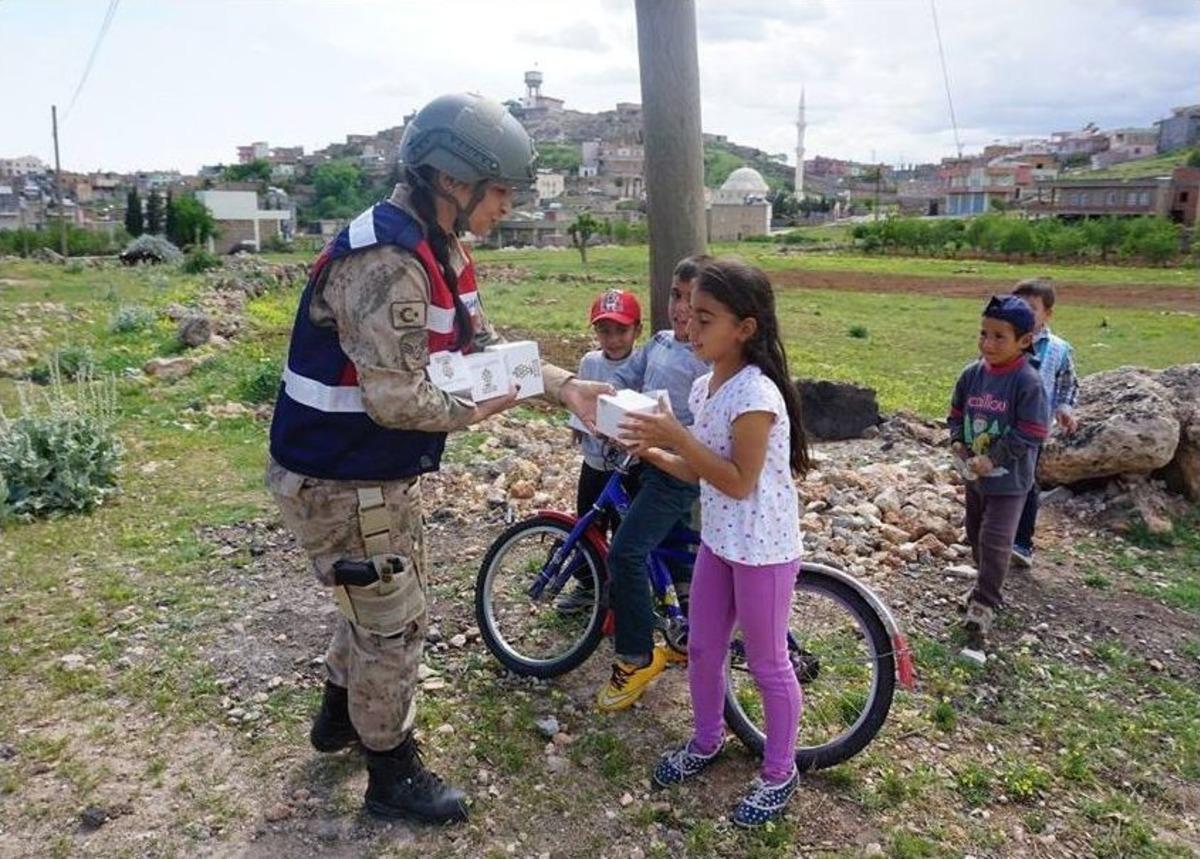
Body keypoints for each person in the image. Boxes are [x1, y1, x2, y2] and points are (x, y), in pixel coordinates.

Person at [265, 93, 609, 825]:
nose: (508, 204)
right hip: (339, 474)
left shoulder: (441, 248)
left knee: (379, 593)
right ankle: (392, 773)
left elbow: (479, 353)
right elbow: (396, 397)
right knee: (394, 619)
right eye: (501, 189)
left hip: (370, 471)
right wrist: (475, 411)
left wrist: (563, 387)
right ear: (455, 180)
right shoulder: (390, 260)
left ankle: (338, 717)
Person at [622, 258, 810, 828]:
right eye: (687, 313)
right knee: (703, 648)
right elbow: (701, 470)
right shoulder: (709, 385)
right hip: (722, 541)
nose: (689, 325)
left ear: (745, 328)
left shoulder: (756, 396)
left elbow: (736, 479)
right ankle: (706, 741)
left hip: (765, 548)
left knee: (768, 661)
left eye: (705, 317)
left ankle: (780, 771)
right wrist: (652, 451)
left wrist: (673, 433)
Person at [593, 256, 711, 712]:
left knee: (626, 550)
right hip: (648, 461)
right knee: (676, 550)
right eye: (675, 296)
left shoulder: (705, 360)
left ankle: (635, 656)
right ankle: (685, 633)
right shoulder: (659, 342)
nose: (680, 309)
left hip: (676, 472)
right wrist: (603, 400)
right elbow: (626, 376)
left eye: (692, 299)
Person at [948, 295, 1048, 656]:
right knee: (974, 534)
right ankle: (983, 584)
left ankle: (984, 607)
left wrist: (994, 458)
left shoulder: (1027, 381)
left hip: (1009, 483)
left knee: (994, 540)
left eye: (998, 337)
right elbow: (956, 414)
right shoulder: (971, 374)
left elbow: (1033, 432)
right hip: (975, 480)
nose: (987, 344)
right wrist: (959, 443)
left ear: (1024, 341)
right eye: (983, 334)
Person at [555, 289, 643, 612]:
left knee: (626, 532)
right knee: (588, 522)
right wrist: (577, 432)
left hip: (630, 466)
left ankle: (623, 592)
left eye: (621, 330)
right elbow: (580, 404)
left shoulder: (642, 363)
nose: (613, 339)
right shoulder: (590, 362)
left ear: (637, 330)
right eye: (605, 330)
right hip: (595, 462)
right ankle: (587, 585)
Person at [1010, 278, 1079, 569]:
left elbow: (1067, 384)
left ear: (1047, 314)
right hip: (999, 423)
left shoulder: (1058, 349)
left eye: (1032, 308)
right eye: (1018, 307)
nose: (1024, 313)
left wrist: (1064, 407)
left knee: (1025, 483)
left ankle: (1022, 543)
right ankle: (988, 534)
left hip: (1033, 429)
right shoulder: (1004, 339)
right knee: (993, 479)